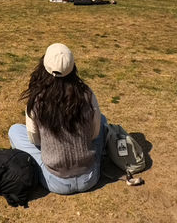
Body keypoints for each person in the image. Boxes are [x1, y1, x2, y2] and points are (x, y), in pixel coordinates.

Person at [8, 43, 106, 195]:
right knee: (103, 121)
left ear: (44, 65)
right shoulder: (87, 93)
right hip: (90, 177)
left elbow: (35, 140)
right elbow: (94, 133)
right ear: (73, 66)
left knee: (14, 130)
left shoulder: (37, 100)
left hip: (55, 181)